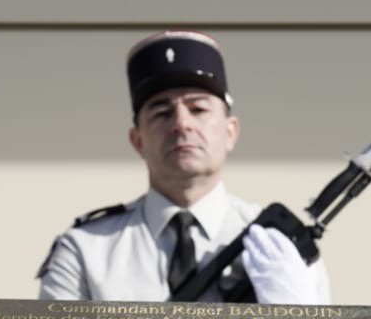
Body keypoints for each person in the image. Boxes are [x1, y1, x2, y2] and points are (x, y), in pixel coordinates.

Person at [37, 29, 330, 303]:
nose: (181, 124)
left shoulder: (278, 245)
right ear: (137, 140)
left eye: (198, 109)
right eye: (162, 112)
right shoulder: (86, 249)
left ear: (231, 132)